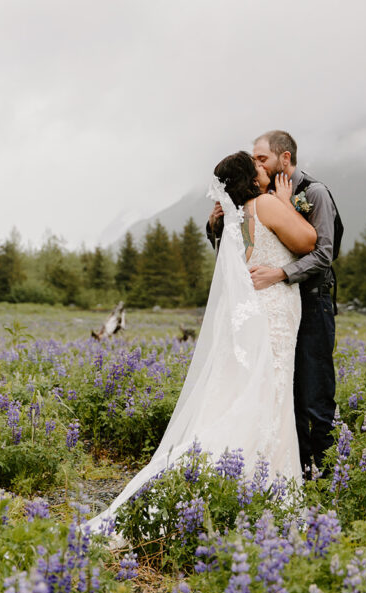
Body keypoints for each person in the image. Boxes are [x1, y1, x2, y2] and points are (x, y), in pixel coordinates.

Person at [85, 150, 315, 535]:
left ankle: (247, 486)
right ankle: (269, 490)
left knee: (254, 394)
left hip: (257, 314)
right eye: (257, 165)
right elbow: (308, 240)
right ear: (250, 178)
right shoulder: (266, 206)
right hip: (273, 312)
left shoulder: (234, 218)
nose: (264, 169)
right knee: (271, 397)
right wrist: (286, 204)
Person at [208, 131, 342, 476]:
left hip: (312, 302)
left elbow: (323, 253)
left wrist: (281, 272)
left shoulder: (314, 193)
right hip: (275, 306)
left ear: (285, 159)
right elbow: (240, 255)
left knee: (314, 391)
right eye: (253, 160)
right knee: (283, 391)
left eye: (262, 158)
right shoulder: (262, 199)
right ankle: (291, 468)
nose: (257, 164)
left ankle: (326, 473)